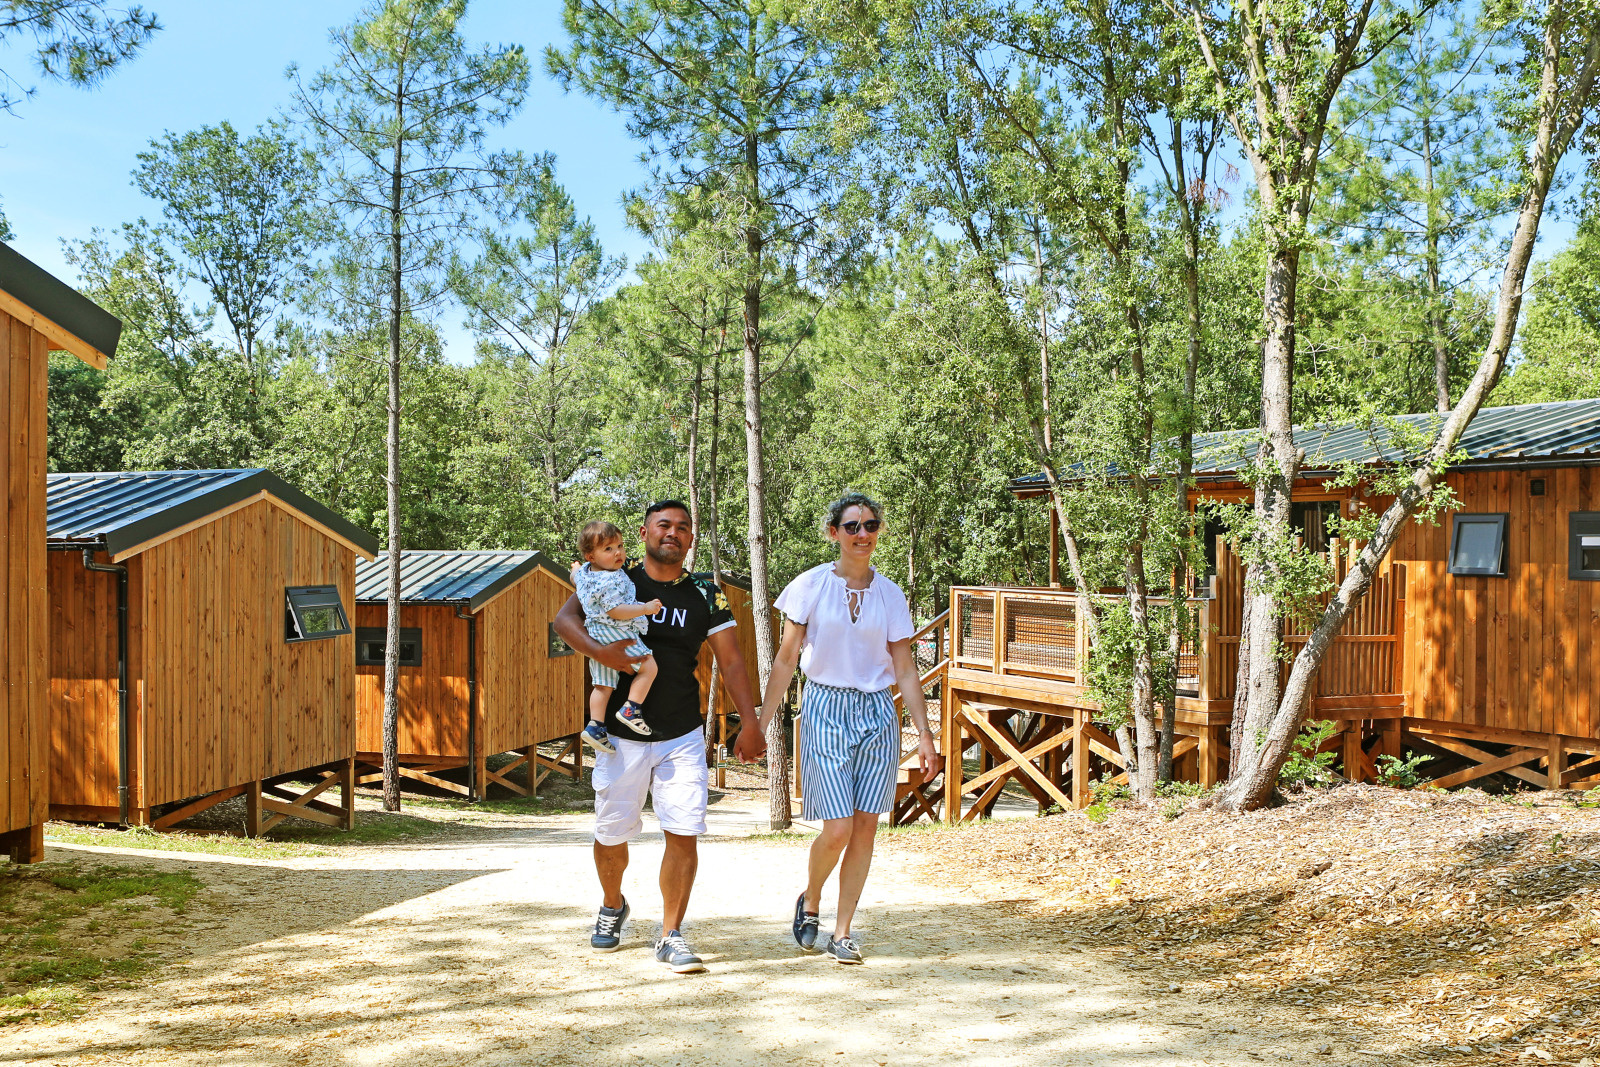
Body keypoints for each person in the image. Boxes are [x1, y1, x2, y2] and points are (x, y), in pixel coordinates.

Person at [553, 499, 760, 975]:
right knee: (611, 832)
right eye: (663, 525)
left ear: (690, 539)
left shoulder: (706, 593)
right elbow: (564, 622)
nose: (673, 532)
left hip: (681, 733)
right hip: (619, 735)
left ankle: (671, 934)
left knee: (684, 830)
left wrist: (750, 723)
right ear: (645, 533)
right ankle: (612, 904)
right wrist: (604, 653)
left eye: (682, 527)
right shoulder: (615, 575)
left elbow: (730, 660)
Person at [739, 492, 941, 965]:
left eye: (870, 526)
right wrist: (761, 724)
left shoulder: (891, 594)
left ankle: (843, 931)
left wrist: (925, 735)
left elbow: (905, 668)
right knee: (838, 829)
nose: (862, 534)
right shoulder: (810, 585)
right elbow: (786, 660)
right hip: (825, 706)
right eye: (852, 526)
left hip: (878, 712)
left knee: (866, 827)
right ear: (834, 533)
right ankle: (811, 898)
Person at [573, 520, 662, 754]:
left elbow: (575, 578)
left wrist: (574, 569)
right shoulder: (609, 579)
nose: (618, 553)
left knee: (603, 685)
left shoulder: (586, 574)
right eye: (609, 549)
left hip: (596, 633)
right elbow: (616, 611)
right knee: (649, 666)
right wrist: (645, 608)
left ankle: (595, 726)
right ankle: (631, 709)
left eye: (620, 546)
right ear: (591, 556)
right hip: (615, 630)